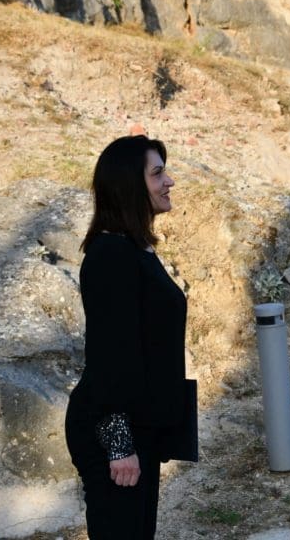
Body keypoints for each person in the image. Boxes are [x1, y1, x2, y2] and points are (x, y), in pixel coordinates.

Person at [65, 134, 192, 539]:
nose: (169, 181)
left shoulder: (133, 250)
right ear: (129, 185)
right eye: (157, 174)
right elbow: (109, 353)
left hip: (139, 427)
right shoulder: (111, 255)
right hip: (114, 431)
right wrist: (119, 445)